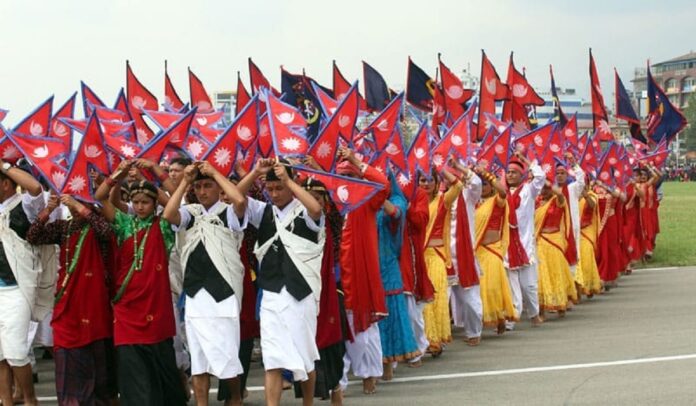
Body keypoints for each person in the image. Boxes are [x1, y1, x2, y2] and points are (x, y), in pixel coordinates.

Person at [94, 160, 186, 406]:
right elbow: (100, 197)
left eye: (145, 202)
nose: (140, 206)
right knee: (132, 364)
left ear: (155, 204)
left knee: (160, 361)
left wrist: (157, 172)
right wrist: (120, 173)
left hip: (155, 304)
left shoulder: (163, 226)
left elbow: (173, 203)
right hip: (127, 306)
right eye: (136, 202)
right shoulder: (124, 224)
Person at [235, 158, 325, 406]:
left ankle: (308, 402)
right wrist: (255, 172)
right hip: (272, 294)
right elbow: (236, 198)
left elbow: (316, 210)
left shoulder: (303, 209)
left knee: (305, 355)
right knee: (272, 359)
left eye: (279, 188)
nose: (274, 194)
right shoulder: (263, 211)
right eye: (270, 189)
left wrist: (289, 180)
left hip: (301, 294)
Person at [162, 161, 247, 406]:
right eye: (198, 187)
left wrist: (215, 174)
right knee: (199, 359)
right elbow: (169, 214)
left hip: (224, 293)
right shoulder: (192, 212)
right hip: (195, 293)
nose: (202, 191)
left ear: (218, 188)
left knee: (226, 354)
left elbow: (239, 201)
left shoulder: (228, 212)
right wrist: (185, 182)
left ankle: (235, 398)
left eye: (207, 185)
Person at [26, 194, 117, 405]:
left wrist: (79, 205)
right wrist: (48, 210)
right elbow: (33, 236)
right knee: (67, 354)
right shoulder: (65, 227)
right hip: (68, 304)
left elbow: (106, 231)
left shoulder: (98, 224)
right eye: (73, 203)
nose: (75, 208)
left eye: (81, 202)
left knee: (99, 367)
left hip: (94, 305)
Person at [334, 147, 390, 396]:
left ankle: (369, 374)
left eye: (350, 176)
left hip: (359, 273)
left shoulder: (366, 200)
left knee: (364, 329)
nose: (346, 181)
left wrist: (355, 161)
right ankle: (339, 381)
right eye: (341, 176)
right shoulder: (330, 201)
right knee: (337, 329)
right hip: (333, 272)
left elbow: (383, 184)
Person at [294, 175, 346, 405]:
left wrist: (318, 170)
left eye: (317, 197)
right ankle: (311, 394)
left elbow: (337, 203)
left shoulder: (331, 219)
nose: (312, 202)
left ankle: (336, 386)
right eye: (307, 197)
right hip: (303, 285)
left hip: (330, 286)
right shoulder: (294, 221)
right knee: (305, 340)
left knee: (332, 338)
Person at [0, 159, 46, 406]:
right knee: (0, 354)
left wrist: (4, 166)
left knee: (17, 352)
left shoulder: (24, 205)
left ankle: (30, 400)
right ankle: (6, 401)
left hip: (17, 289)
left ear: (6, 184)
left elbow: (36, 188)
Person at [376, 173, 419, 380]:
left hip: (388, 265)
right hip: (366, 262)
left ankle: (388, 363)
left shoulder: (396, 199)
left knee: (389, 314)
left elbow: (395, 214)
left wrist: (376, 195)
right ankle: (371, 363)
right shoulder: (361, 199)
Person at [421, 167, 462, 355]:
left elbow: (458, 186)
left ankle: (436, 339)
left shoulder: (442, 201)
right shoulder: (413, 203)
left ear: (437, 183)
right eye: (422, 180)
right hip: (419, 257)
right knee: (421, 302)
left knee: (437, 298)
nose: (426, 183)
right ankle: (425, 339)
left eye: (431, 179)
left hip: (436, 256)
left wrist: (440, 168)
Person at [473, 167, 517, 334]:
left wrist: (487, 175)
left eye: (485, 184)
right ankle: (482, 321)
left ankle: (500, 316)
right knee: (479, 289)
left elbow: (503, 192)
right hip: (477, 251)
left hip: (492, 250)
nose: (483, 187)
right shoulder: (472, 203)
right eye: (480, 184)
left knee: (492, 287)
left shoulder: (496, 201)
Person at [504, 153, 545, 328]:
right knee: (512, 286)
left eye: (514, 172)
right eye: (508, 172)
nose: (510, 175)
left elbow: (540, 176)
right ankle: (511, 320)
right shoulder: (502, 192)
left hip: (525, 244)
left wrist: (526, 160)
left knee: (529, 286)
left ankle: (534, 314)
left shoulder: (529, 190)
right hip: (507, 245)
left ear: (522, 175)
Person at [447, 159, 483, 346]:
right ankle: (435, 338)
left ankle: (473, 331)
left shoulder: (467, 196)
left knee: (470, 300)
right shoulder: (438, 199)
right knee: (436, 301)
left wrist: (458, 166)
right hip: (440, 256)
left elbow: (476, 182)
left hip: (464, 256)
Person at [398, 185, 432, 368]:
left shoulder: (418, 194)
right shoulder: (377, 191)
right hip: (383, 252)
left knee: (410, 308)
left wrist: (407, 205)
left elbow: (420, 221)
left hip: (407, 255)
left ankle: (417, 348)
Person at [535, 181, 576, 317]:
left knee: (556, 271)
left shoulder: (557, 200)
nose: (544, 191)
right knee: (541, 274)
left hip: (555, 241)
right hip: (540, 241)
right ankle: (541, 309)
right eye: (542, 188)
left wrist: (548, 182)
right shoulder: (536, 202)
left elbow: (560, 194)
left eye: (547, 188)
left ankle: (561, 304)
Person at [575, 181, 602, 297]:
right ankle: (578, 288)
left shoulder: (592, 195)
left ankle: (588, 286)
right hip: (574, 232)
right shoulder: (572, 195)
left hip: (587, 231)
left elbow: (593, 205)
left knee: (586, 258)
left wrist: (585, 195)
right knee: (576, 262)